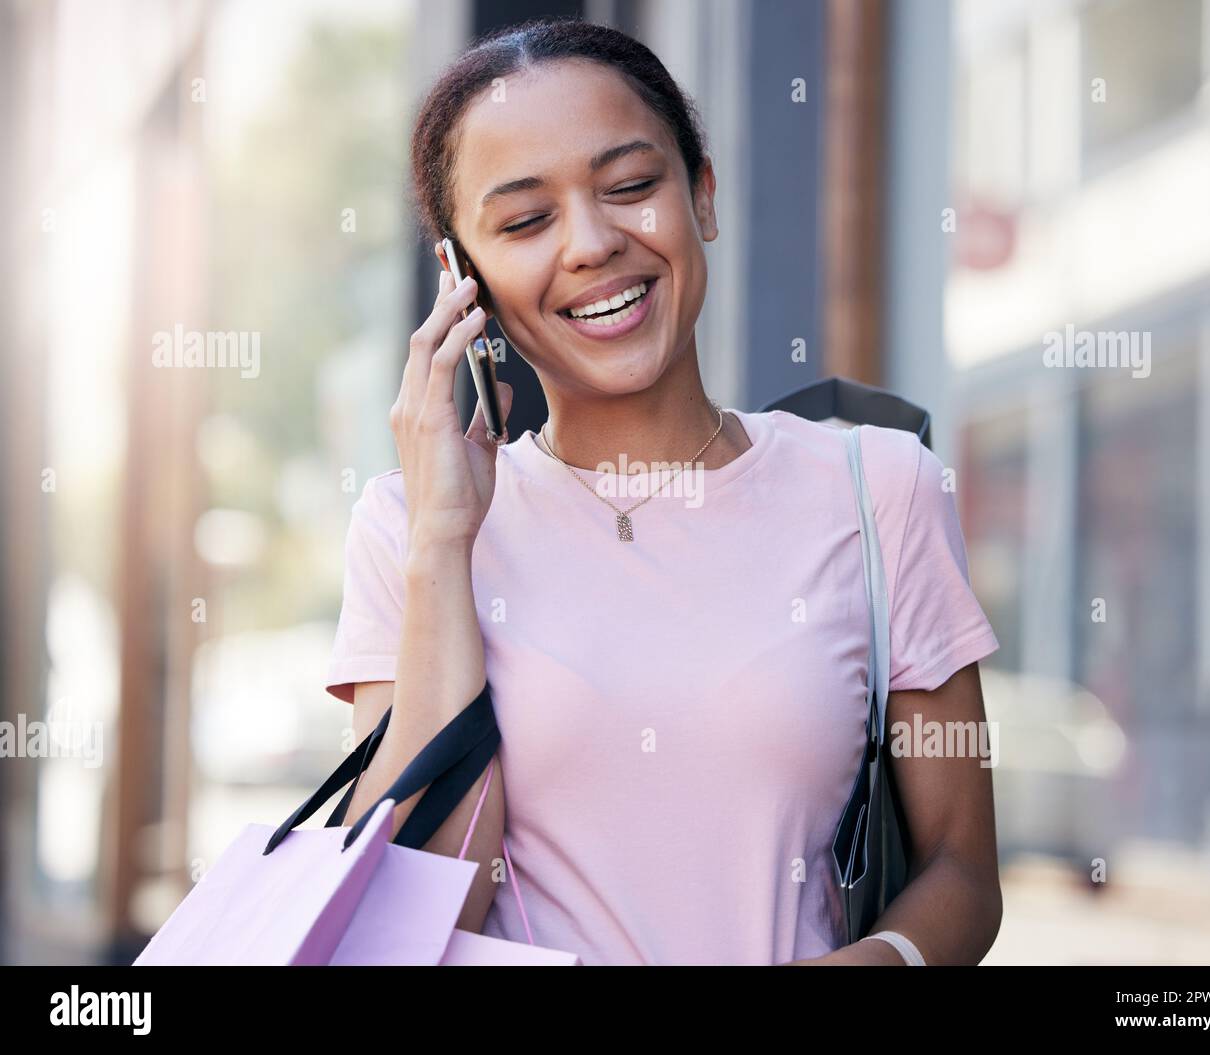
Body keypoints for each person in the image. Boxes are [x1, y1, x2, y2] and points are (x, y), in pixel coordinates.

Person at [324, 16, 1001, 966]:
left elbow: (963, 876)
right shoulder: (407, 528)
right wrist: (445, 542)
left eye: (632, 186)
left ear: (703, 196)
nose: (594, 242)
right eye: (525, 221)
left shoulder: (878, 488)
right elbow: (422, 909)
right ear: (460, 276)